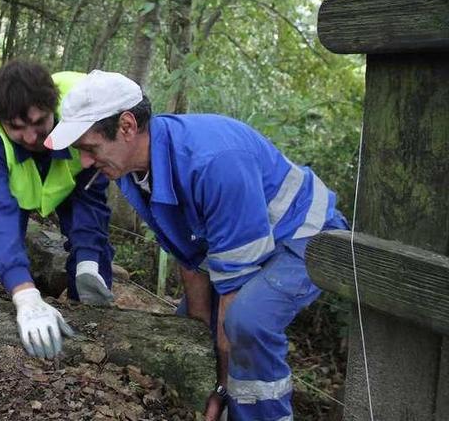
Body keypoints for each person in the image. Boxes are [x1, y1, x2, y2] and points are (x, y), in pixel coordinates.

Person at [44, 70, 349, 421]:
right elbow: (190, 253)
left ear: (127, 126)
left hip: (307, 236)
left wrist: (222, 382)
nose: (83, 161)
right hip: (250, 239)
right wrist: (199, 322)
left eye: (89, 148)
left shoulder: (212, 161)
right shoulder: (138, 167)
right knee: (191, 329)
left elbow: (234, 284)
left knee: (245, 323)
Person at [0, 60, 115, 360]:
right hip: (12, 190)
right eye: (17, 128)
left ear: (55, 107)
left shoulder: (83, 106)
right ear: (1, 121)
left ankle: (88, 314)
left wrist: (89, 259)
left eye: (40, 123)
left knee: (92, 256)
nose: (32, 137)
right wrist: (24, 293)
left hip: (75, 181)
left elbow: (91, 199)